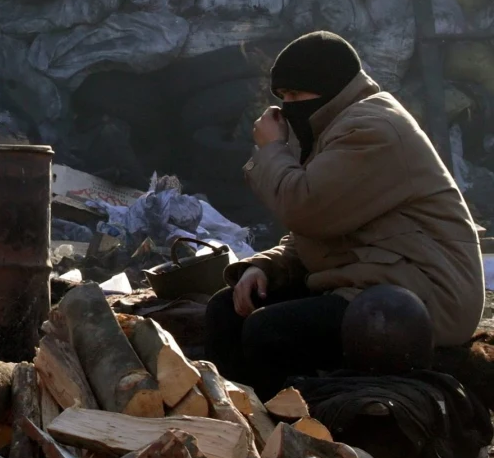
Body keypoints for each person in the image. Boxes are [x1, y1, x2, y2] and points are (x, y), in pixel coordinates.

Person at [204, 31, 483, 399]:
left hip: (421, 294)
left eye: (296, 96)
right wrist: (264, 267)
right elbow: (320, 230)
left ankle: (300, 430)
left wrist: (272, 149)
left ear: (331, 89)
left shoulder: (371, 129)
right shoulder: (333, 128)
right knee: (226, 310)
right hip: (371, 276)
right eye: (283, 98)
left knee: (269, 331)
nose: (288, 109)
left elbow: (307, 210)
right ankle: (241, 426)